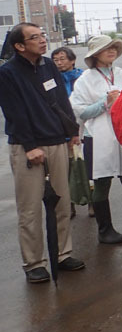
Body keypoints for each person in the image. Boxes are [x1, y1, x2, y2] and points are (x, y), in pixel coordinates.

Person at [0, 23, 85, 283]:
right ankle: (34, 262)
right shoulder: (8, 73)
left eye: (42, 35)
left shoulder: (49, 66)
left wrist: (71, 131)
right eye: (34, 37)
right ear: (19, 46)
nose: (42, 40)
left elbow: (61, 100)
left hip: (57, 141)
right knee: (30, 208)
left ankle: (62, 253)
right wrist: (29, 146)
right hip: (28, 147)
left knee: (61, 199)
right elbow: (14, 113)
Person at [70, 35, 122, 243]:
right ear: (95, 54)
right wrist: (105, 102)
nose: (111, 51)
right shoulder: (85, 79)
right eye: (106, 49)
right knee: (102, 181)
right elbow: (79, 112)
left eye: (114, 47)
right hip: (98, 136)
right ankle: (105, 230)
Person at [52, 45, 86, 218]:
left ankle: (90, 201)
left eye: (62, 59)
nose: (58, 63)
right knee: (65, 169)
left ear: (72, 60)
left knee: (85, 166)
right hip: (61, 131)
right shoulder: (51, 80)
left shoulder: (82, 78)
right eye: (55, 60)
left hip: (83, 127)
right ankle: (69, 203)